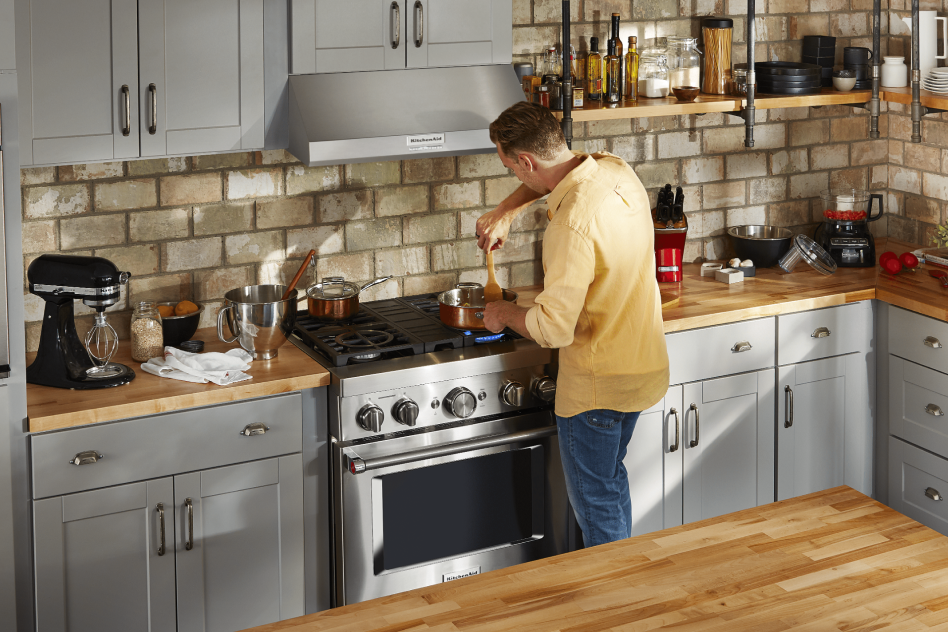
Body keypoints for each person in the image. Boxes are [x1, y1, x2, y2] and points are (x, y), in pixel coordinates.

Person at [476, 101, 669, 548]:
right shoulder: (614, 169)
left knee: (597, 505)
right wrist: (507, 208)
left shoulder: (569, 227)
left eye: (511, 167)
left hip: (596, 390)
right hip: (642, 370)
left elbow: (552, 329)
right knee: (610, 484)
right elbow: (553, 177)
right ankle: (620, 589)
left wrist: (503, 313)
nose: (515, 176)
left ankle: (611, 607)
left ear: (526, 161)